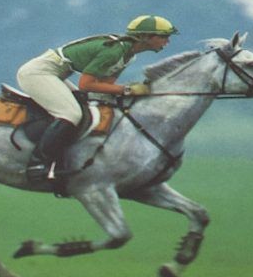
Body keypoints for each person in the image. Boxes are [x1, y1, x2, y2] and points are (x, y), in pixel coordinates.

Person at [13, 14, 176, 187]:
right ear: (145, 37)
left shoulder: (128, 55)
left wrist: (130, 92)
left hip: (56, 74)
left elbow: (105, 85)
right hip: (38, 73)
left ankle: (60, 162)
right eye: (163, 36)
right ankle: (37, 163)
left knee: (85, 110)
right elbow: (86, 85)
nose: (167, 41)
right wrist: (127, 89)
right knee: (71, 114)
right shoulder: (114, 52)